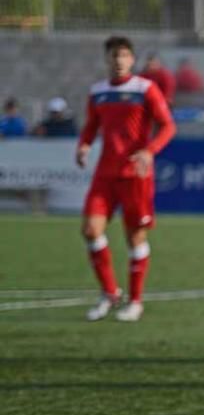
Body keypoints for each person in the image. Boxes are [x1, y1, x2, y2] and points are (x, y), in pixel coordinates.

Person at [76, 36, 175, 322]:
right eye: (114, 56)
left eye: (124, 56)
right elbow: (91, 126)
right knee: (90, 230)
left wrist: (149, 150)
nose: (119, 61)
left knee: (135, 238)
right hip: (105, 174)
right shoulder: (98, 92)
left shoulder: (145, 89)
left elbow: (168, 126)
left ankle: (135, 301)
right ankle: (109, 293)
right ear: (106, 59)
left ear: (132, 59)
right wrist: (83, 145)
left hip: (136, 175)